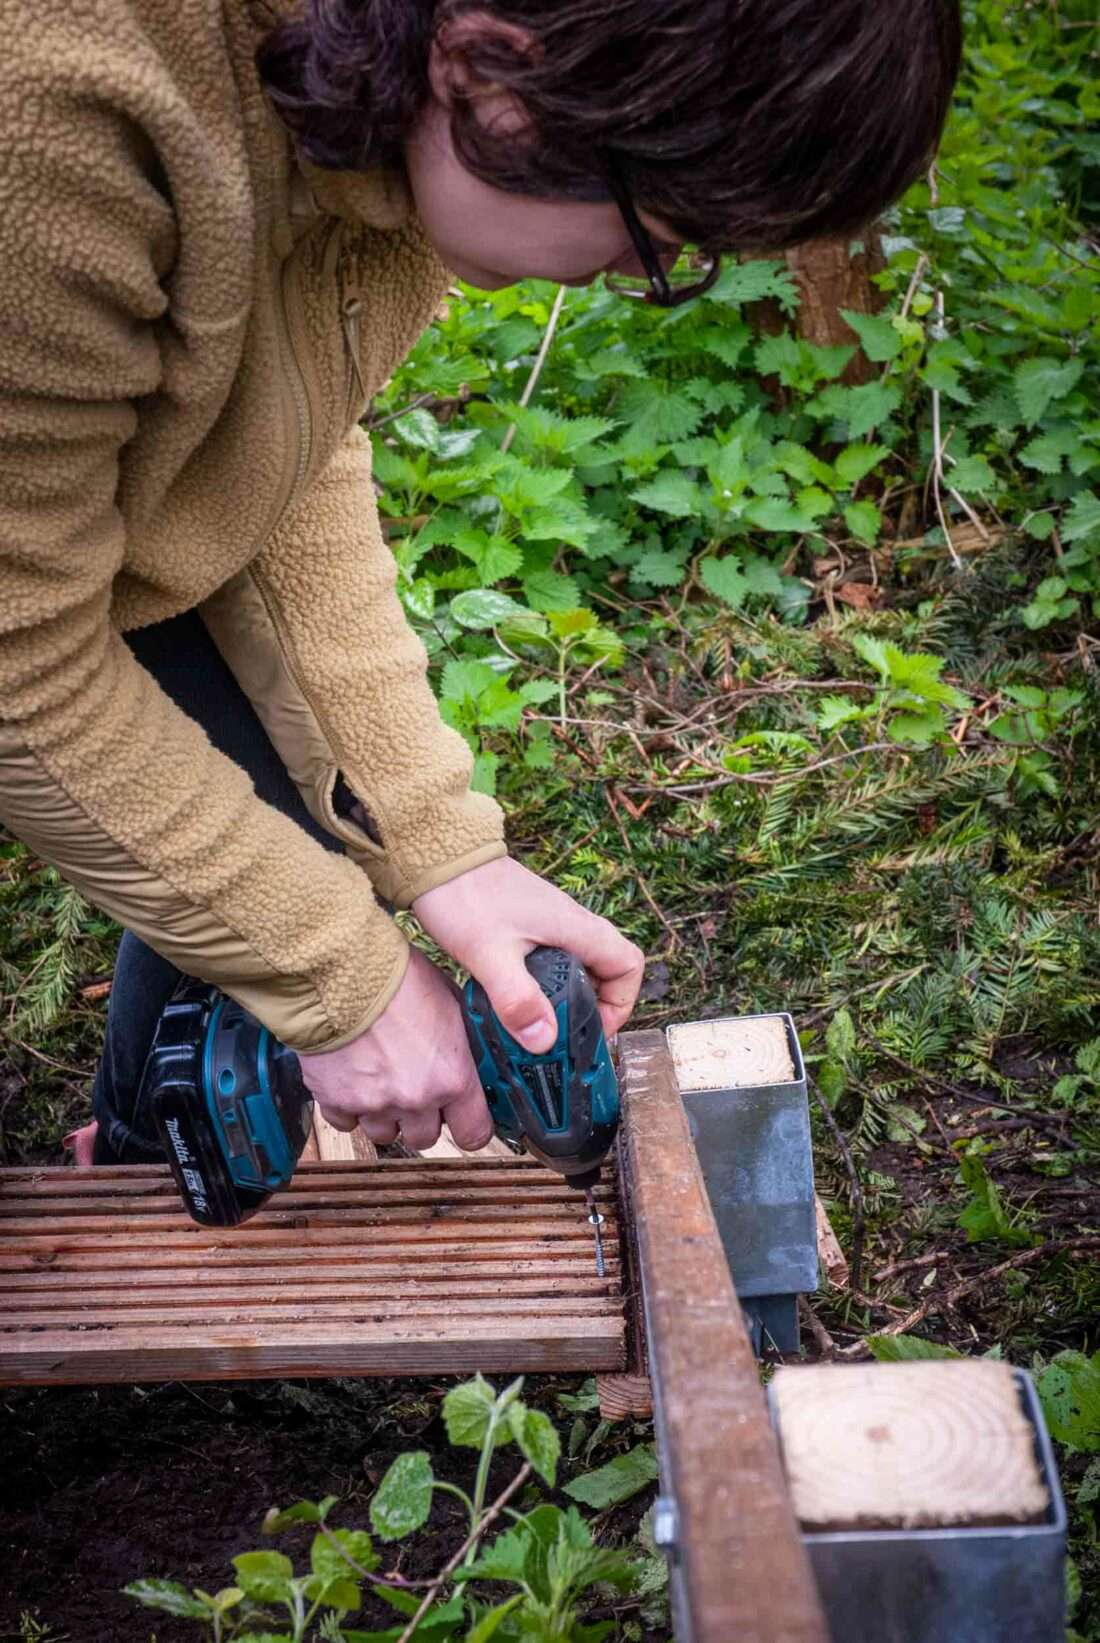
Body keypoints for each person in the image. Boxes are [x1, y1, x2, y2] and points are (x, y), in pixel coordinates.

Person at [0, 0, 961, 1164]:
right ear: (493, 65)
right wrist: (342, 980)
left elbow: (276, 448)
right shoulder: (60, 112)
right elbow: (19, 658)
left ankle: (142, 1157)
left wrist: (440, 846)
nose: (628, 272)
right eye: (655, 234)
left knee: (282, 819)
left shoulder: (391, 117)